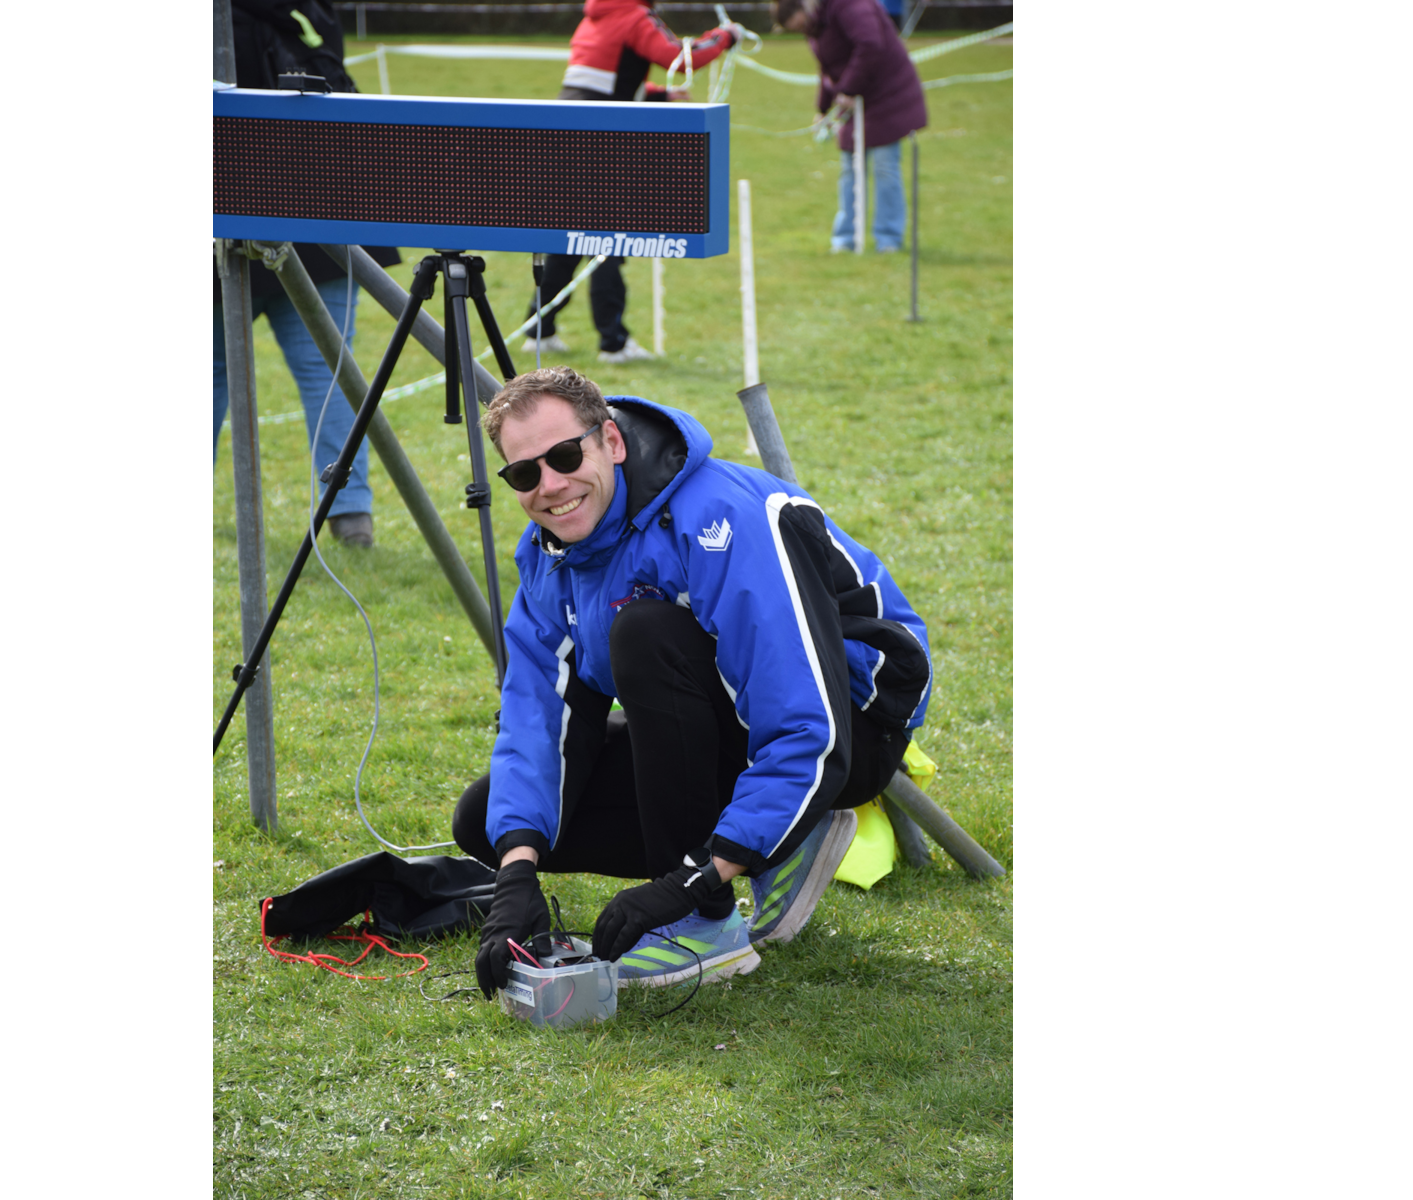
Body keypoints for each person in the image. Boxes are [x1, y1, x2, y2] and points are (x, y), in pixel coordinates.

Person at [453, 368, 933, 998]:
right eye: (524, 474)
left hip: (850, 731)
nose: (551, 486)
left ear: (611, 442)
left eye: (565, 456)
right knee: (486, 821)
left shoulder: (719, 515)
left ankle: (706, 924)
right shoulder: (550, 554)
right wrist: (516, 874)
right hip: (737, 724)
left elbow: (806, 724)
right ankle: (777, 839)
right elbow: (538, 719)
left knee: (643, 630)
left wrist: (694, 882)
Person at [212, 0, 400, 547]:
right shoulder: (308, 14)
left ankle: (351, 511)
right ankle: (351, 513)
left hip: (305, 222)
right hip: (315, 218)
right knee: (330, 375)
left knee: (325, 374)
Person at [523, 1, 746, 364]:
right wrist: (726, 36)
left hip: (564, 136)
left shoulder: (594, 16)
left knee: (567, 241)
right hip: (599, 143)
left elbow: (601, 82)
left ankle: (539, 332)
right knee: (608, 242)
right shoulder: (634, 15)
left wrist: (659, 95)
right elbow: (679, 58)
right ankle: (613, 344)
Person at [776, 0, 927, 254]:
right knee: (849, 169)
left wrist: (848, 89)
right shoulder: (817, 21)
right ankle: (845, 239)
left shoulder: (851, 5)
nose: (802, 30)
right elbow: (827, 67)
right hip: (854, 99)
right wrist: (823, 109)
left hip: (887, 94)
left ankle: (888, 239)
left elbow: (870, 44)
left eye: (800, 25)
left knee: (885, 166)